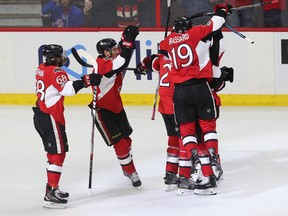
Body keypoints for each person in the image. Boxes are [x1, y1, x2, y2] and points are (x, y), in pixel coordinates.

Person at [159, 4, 233, 195]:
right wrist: (222, 11)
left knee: (188, 134)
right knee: (207, 129)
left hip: (180, 94)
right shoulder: (196, 33)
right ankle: (213, 157)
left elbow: (164, 49)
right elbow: (215, 24)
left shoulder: (166, 43)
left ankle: (197, 160)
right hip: (200, 88)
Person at [33, 44, 102, 208]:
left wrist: (84, 81)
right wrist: (86, 81)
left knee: (57, 153)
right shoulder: (56, 71)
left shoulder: (41, 68)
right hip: (50, 117)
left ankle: (52, 188)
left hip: (42, 116)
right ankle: (50, 193)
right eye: (61, 55)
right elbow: (67, 90)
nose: (64, 58)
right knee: (57, 154)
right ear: (55, 57)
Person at [89, 25, 142, 189]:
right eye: (114, 49)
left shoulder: (111, 60)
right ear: (106, 53)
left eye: (117, 48)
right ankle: (132, 172)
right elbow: (122, 61)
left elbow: (122, 58)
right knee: (120, 143)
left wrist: (128, 39)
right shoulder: (102, 65)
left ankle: (127, 166)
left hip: (117, 106)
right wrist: (127, 41)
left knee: (128, 140)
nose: (117, 50)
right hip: (103, 111)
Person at [134, 54, 194, 195]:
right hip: (177, 105)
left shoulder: (161, 58)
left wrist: (143, 65)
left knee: (173, 140)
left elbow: (151, 63)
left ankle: (170, 176)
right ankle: (184, 178)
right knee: (184, 140)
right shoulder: (181, 56)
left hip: (164, 107)